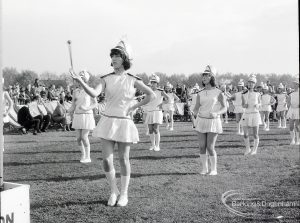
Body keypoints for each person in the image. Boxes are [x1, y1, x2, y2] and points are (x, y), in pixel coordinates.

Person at [69, 39, 155, 207]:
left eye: (118, 55)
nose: (114, 58)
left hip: (124, 121)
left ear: (125, 59)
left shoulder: (133, 79)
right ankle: (113, 190)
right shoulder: (105, 78)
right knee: (106, 160)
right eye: (113, 55)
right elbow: (94, 93)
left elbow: (151, 95)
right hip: (108, 120)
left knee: (123, 159)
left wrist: (134, 106)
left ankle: (124, 193)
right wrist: (80, 81)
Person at [192, 65, 227, 176]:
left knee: (210, 147)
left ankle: (214, 169)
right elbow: (197, 107)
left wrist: (217, 113)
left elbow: (225, 107)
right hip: (201, 120)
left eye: (207, 75)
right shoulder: (200, 93)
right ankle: (204, 168)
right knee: (202, 146)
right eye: (203, 75)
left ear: (212, 77)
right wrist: (194, 112)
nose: (204, 77)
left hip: (213, 121)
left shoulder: (218, 92)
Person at [68, 70, 97, 163]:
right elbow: (73, 104)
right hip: (77, 115)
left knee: (84, 137)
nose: (79, 81)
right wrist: (69, 111)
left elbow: (95, 104)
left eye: (82, 78)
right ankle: (83, 155)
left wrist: (86, 108)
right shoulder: (75, 91)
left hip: (87, 116)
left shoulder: (90, 90)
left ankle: (88, 156)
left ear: (85, 79)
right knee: (78, 138)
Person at [145, 73, 170, 151]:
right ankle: (152, 145)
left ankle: (157, 145)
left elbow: (168, 98)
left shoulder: (160, 91)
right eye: (151, 82)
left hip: (157, 111)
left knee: (156, 129)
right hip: (149, 111)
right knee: (150, 129)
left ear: (157, 83)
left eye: (154, 83)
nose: (152, 84)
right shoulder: (148, 91)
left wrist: (161, 104)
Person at [240, 74, 262, 155]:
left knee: (255, 134)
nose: (250, 84)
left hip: (255, 114)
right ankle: (247, 149)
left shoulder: (258, 94)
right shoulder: (244, 94)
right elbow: (242, 104)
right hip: (246, 114)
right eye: (249, 82)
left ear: (254, 84)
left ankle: (254, 150)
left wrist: (258, 105)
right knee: (245, 134)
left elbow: (260, 103)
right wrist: (244, 105)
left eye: (252, 83)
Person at [287, 80, 299, 145]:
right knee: (291, 126)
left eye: (296, 84)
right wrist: (289, 105)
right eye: (294, 84)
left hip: (298, 110)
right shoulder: (291, 94)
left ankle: (298, 140)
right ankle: (292, 140)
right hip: (291, 110)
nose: (295, 85)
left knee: (297, 126)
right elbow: (288, 102)